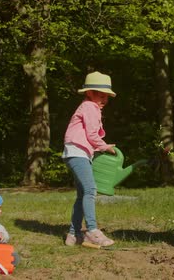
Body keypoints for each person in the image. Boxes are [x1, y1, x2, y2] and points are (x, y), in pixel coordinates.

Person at [62, 71, 117, 247]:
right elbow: (92, 134)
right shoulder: (90, 107)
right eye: (100, 95)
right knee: (91, 190)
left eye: (107, 97)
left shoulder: (87, 106)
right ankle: (92, 230)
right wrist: (104, 146)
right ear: (89, 93)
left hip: (76, 152)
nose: (104, 100)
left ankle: (74, 234)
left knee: (82, 194)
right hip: (77, 152)